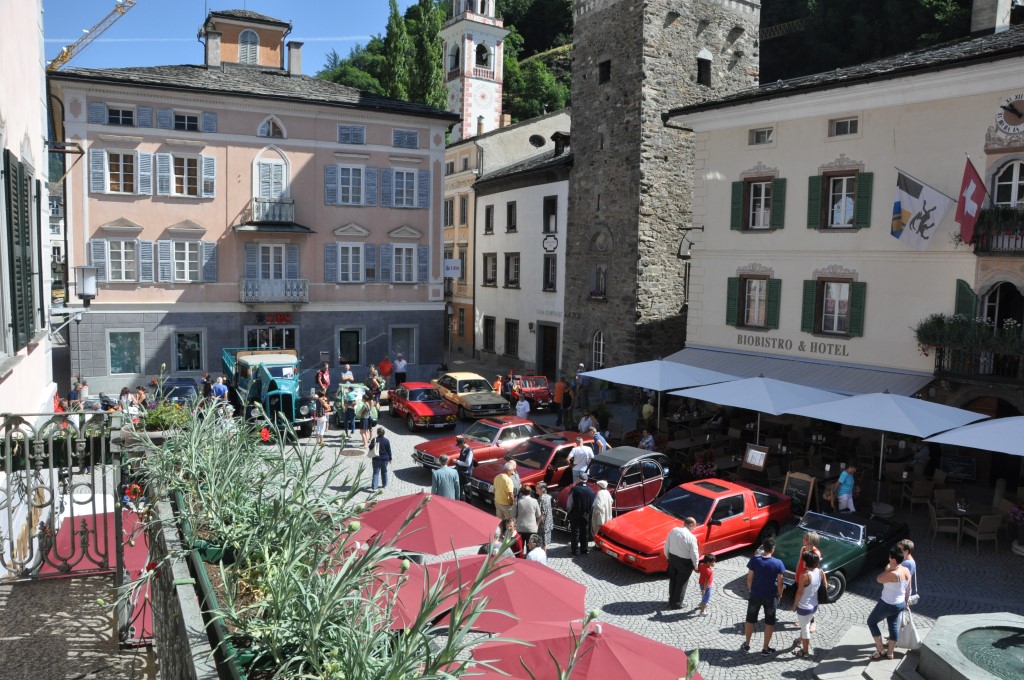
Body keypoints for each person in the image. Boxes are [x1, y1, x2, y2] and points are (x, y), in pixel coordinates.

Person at [742, 537, 785, 655]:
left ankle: (747, 645)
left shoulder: (755, 560)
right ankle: (765, 648)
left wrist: (751, 590)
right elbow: (780, 583)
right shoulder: (778, 563)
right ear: (773, 549)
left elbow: (749, 578)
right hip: (771, 596)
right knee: (769, 623)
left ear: (763, 547)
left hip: (755, 594)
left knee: (750, 620)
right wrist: (780, 595)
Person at [867, 546, 910, 661]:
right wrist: (906, 602)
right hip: (900, 603)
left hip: (887, 603)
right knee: (893, 626)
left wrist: (888, 569)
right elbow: (908, 589)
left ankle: (880, 650)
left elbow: (879, 579)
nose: (889, 559)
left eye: (890, 557)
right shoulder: (906, 570)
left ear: (894, 560)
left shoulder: (894, 573)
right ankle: (890, 653)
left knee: (871, 622)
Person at [664, 517, 700, 609]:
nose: (694, 528)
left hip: (672, 558)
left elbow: (667, 545)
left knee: (673, 580)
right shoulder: (691, 537)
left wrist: (668, 557)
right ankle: (677, 604)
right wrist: (696, 565)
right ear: (691, 525)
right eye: (694, 526)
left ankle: (671, 600)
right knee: (682, 582)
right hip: (685, 562)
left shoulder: (674, 530)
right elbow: (694, 553)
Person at [793, 531, 822, 643]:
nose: (803, 540)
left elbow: (816, 568)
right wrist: (796, 574)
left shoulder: (816, 553)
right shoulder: (803, 549)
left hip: (808, 579)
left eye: (805, 539)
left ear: (810, 541)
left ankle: (812, 622)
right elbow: (799, 562)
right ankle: (803, 619)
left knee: (807, 599)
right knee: (801, 598)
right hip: (801, 576)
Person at [566, 474, 596, 555]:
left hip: (575, 513)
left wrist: (569, 512)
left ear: (579, 479)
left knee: (575, 532)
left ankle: (575, 550)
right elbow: (593, 505)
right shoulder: (591, 491)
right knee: (585, 532)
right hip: (586, 514)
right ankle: (584, 550)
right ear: (587, 479)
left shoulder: (574, 489)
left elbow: (569, 503)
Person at [370, 427, 393, 491]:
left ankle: (374, 488)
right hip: (385, 459)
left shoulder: (374, 440)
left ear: (377, 433)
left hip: (376, 459)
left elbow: (370, 448)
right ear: (383, 433)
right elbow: (389, 450)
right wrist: (390, 458)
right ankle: (384, 484)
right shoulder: (386, 440)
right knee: (384, 472)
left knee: (375, 473)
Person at [898, 539, 919, 606]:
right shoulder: (910, 560)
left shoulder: (906, 564)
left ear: (906, 551)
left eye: (900, 549)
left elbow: (906, 580)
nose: (897, 551)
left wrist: (906, 599)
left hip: (901, 592)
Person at [455, 435, 474, 502]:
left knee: (467, 490)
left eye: (459, 445)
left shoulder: (469, 451)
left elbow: (467, 463)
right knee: (460, 488)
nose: (459, 447)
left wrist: (457, 461)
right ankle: (460, 501)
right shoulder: (463, 449)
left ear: (463, 443)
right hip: (460, 472)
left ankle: (468, 504)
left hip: (466, 474)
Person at [536, 481, 554, 549]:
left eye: (537, 488)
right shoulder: (548, 496)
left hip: (543, 524)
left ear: (542, 489)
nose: (536, 489)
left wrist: (537, 523)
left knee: (542, 543)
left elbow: (543, 513)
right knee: (544, 543)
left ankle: (543, 555)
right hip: (548, 523)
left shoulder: (542, 498)